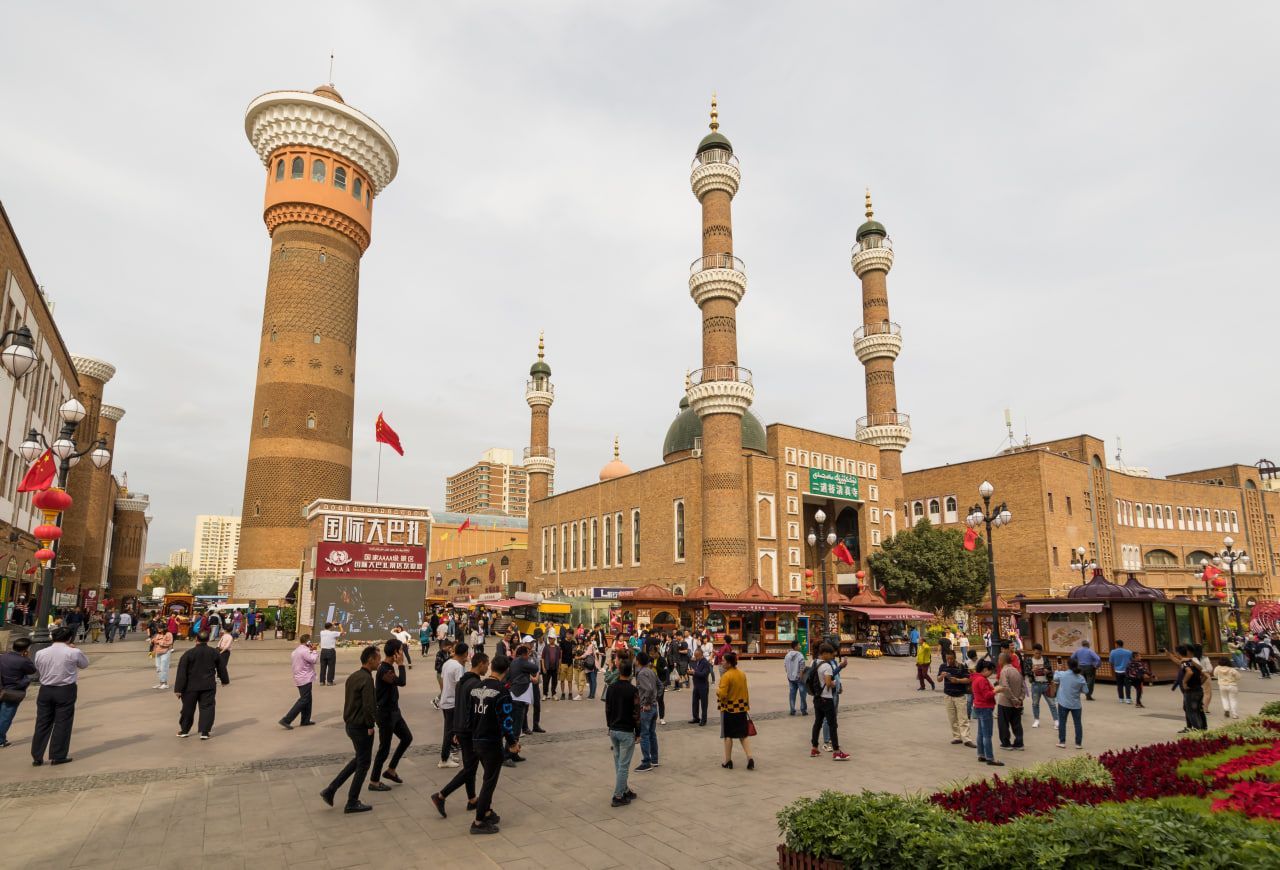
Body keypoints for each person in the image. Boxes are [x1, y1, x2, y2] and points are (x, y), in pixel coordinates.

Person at [321, 645, 380, 813]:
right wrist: (370, 725)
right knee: (364, 763)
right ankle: (352, 801)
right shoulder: (367, 679)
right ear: (370, 660)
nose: (379, 662)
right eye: (378, 659)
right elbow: (368, 706)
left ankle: (331, 789)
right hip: (361, 727)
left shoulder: (354, 676)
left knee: (358, 760)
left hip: (351, 725)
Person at [430, 652, 490, 818]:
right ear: (481, 663)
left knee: (471, 766)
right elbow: (473, 711)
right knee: (470, 768)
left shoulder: (463, 681)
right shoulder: (476, 685)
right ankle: (441, 795)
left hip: (461, 728)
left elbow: (459, 706)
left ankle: (472, 799)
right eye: (487, 664)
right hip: (469, 731)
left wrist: (456, 729)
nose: (488, 667)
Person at [468, 654, 519, 834]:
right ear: (507, 671)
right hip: (491, 741)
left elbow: (470, 714)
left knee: (487, 778)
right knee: (489, 782)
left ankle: (487, 812)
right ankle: (478, 822)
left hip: (476, 739)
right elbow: (506, 721)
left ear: (491, 666)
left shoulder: (476, 687)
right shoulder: (502, 691)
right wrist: (512, 742)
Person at [30, 627, 89, 765]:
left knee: (42, 722)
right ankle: (58, 755)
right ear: (69, 638)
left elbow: (37, 667)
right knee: (63, 722)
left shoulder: (40, 652)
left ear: (52, 637)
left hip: (45, 689)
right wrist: (74, 648)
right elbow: (84, 664)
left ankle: (37, 756)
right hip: (65, 689)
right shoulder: (73, 652)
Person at [368, 638, 413, 792]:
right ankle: (374, 781)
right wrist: (401, 665)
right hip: (385, 714)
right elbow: (401, 682)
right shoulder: (384, 670)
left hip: (394, 712)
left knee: (407, 738)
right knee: (384, 749)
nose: (403, 653)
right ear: (395, 652)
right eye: (401, 650)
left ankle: (391, 770)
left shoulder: (388, 667)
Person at [174, 631, 229, 740]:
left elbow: (182, 672)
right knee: (207, 708)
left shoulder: (189, 653)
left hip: (190, 686)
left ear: (196, 639)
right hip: (208, 685)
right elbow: (221, 667)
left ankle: (184, 730)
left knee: (188, 708)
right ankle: (205, 732)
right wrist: (224, 680)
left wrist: (178, 689)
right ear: (208, 640)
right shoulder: (214, 652)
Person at [605, 659, 641, 807]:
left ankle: (624, 789)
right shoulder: (633, 690)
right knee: (624, 765)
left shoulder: (611, 688)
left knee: (619, 762)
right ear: (631, 673)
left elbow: (607, 709)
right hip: (626, 730)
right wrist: (638, 732)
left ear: (619, 671)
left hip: (614, 729)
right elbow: (636, 713)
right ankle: (618, 795)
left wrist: (609, 725)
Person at [810, 644, 849, 761]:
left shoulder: (814, 663)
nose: (832, 657)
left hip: (817, 698)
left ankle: (814, 748)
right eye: (831, 655)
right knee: (832, 724)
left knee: (817, 723)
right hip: (826, 699)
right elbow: (828, 683)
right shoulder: (826, 666)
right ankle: (836, 751)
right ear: (825, 654)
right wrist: (834, 683)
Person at [716, 651, 755, 769]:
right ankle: (750, 757)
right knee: (743, 735)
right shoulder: (741, 674)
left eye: (723, 660)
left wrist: (717, 690)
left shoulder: (726, 676)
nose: (721, 662)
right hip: (741, 708)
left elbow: (722, 694)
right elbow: (745, 691)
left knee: (728, 735)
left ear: (729, 663)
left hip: (729, 709)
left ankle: (728, 760)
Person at [0, 636, 37, 747]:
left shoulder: (3, 657)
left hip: (2, 688)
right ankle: (0, 740)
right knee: (5, 717)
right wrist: (26, 658)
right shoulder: (23, 661)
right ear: (26, 649)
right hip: (12, 691)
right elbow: (32, 670)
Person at [438, 641, 468, 769]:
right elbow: (460, 686)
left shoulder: (447, 663)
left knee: (450, 730)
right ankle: (444, 759)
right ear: (465, 653)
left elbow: (443, 680)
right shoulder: (458, 667)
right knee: (449, 731)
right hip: (452, 702)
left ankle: (448, 754)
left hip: (446, 700)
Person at [279, 634, 319, 729]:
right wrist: (314, 650)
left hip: (299, 677)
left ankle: (305, 720)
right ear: (308, 642)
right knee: (304, 699)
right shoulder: (305, 651)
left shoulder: (296, 651)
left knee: (308, 699)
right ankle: (286, 719)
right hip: (305, 677)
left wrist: (311, 650)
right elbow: (314, 660)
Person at [936, 650, 973, 747]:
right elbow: (938, 680)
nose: (949, 660)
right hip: (948, 695)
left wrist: (958, 680)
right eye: (947, 659)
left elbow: (968, 679)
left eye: (951, 659)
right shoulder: (943, 666)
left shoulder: (961, 666)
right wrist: (942, 676)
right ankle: (957, 737)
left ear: (955, 658)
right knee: (952, 718)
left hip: (960, 695)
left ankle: (966, 738)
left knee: (963, 718)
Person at [1170, 645, 1209, 732]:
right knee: (1198, 710)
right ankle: (1203, 728)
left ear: (1178, 653)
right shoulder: (1192, 662)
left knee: (1192, 711)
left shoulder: (1185, 663)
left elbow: (1189, 672)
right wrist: (1198, 684)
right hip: (1198, 690)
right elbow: (1205, 675)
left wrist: (1184, 682)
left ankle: (1197, 731)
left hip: (1190, 691)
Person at [970, 658, 1001, 765]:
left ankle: (981, 754)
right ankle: (989, 757)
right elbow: (987, 695)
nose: (991, 673)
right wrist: (996, 690)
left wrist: (994, 689)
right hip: (985, 707)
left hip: (979, 706)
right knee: (987, 734)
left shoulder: (976, 678)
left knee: (981, 733)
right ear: (985, 670)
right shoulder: (982, 680)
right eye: (990, 671)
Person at [1052, 658, 1088, 749]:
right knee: (1077, 723)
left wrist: (1058, 670)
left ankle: (1062, 742)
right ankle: (1078, 744)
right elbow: (1086, 691)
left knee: (1062, 722)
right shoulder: (1080, 678)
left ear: (1068, 665)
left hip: (1063, 702)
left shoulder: (1062, 674)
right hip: (1076, 704)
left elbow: (1055, 678)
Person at [634, 652, 659, 772]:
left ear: (638, 661)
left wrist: (647, 703)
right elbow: (660, 685)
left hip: (647, 708)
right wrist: (655, 699)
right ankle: (654, 759)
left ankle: (646, 762)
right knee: (652, 733)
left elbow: (648, 688)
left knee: (644, 735)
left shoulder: (641, 673)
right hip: (654, 706)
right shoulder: (651, 671)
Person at [994, 652, 1025, 751]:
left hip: (1005, 702)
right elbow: (1023, 687)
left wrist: (1013, 699)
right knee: (1017, 724)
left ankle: (1006, 743)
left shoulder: (1004, 671)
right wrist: (1019, 699)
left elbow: (1005, 687)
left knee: (1003, 724)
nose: (998, 661)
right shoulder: (1016, 671)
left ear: (1002, 660)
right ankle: (1019, 743)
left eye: (999, 659)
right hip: (1017, 703)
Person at [509, 644, 542, 735]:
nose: (528, 656)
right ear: (523, 654)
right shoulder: (521, 661)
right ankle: (514, 740)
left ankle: (515, 737)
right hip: (519, 694)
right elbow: (535, 668)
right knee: (518, 718)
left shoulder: (514, 661)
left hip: (515, 692)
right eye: (527, 654)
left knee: (515, 718)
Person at [1027, 643, 1057, 728]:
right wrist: (1032, 671)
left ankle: (1056, 720)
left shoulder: (1045, 659)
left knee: (1052, 703)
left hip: (1046, 684)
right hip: (1035, 684)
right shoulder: (1029, 660)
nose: (1038, 655)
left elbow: (1050, 670)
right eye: (1036, 653)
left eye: (1039, 653)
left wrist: (1047, 671)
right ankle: (1036, 720)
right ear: (1033, 652)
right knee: (1035, 704)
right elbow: (1026, 671)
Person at [783, 640, 808, 716]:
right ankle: (803, 709)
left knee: (792, 694)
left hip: (790, 677)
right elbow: (802, 667)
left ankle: (792, 709)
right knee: (803, 694)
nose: (800, 646)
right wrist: (801, 676)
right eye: (799, 645)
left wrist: (789, 674)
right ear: (796, 646)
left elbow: (785, 666)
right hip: (799, 678)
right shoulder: (800, 655)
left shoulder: (787, 655)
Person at [688, 645, 711, 726]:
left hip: (703, 686)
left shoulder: (705, 663)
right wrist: (691, 672)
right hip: (696, 686)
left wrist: (694, 672)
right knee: (695, 702)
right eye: (695, 656)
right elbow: (696, 672)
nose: (695, 657)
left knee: (704, 704)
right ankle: (696, 718)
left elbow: (704, 674)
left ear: (701, 655)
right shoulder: (697, 662)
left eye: (697, 656)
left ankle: (704, 720)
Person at [1106, 640, 1134, 704]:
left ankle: (1121, 698)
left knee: (1119, 685)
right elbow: (1132, 660)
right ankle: (1128, 699)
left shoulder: (1113, 652)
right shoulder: (1128, 652)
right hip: (1127, 670)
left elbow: (1111, 661)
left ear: (1116, 644)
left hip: (1117, 670)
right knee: (1127, 685)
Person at [150, 621, 175, 690]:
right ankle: (161, 682)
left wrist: (159, 642)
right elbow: (154, 642)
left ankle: (165, 683)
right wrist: (152, 641)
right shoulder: (157, 634)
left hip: (165, 652)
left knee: (163, 667)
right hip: (157, 652)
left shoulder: (169, 634)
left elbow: (169, 643)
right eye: (158, 628)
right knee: (158, 667)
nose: (158, 629)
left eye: (160, 628)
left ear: (164, 628)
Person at [318, 622, 343, 686]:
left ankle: (322, 681)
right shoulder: (333, 633)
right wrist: (340, 626)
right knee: (331, 667)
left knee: (323, 667)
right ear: (331, 627)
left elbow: (327, 626)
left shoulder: (322, 632)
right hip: (330, 651)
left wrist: (332, 623)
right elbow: (342, 633)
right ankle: (329, 681)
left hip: (323, 651)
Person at [432, 638, 454, 707]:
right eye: (449, 647)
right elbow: (437, 666)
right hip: (440, 674)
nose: (450, 649)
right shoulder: (439, 653)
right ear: (444, 646)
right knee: (444, 690)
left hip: (446, 674)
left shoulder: (448, 652)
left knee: (446, 690)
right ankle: (437, 701)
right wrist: (449, 657)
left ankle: (437, 701)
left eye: (451, 647)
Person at [558, 631, 576, 700]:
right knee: (562, 680)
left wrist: (574, 651)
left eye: (571, 634)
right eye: (568, 634)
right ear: (566, 634)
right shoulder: (562, 642)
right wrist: (559, 665)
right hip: (563, 663)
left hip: (570, 664)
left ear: (572, 635)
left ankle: (570, 693)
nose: (569, 635)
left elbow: (574, 652)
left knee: (570, 680)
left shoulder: (573, 642)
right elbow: (560, 653)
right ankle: (563, 693)